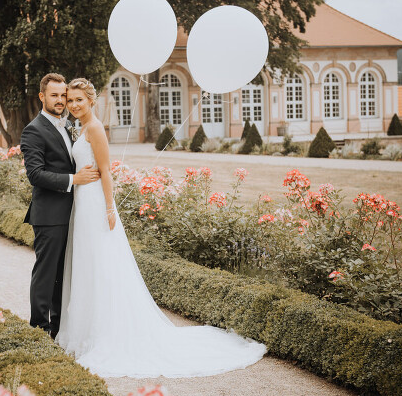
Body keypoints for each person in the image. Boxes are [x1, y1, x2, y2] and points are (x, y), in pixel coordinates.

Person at [56, 78, 266, 378]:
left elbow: (106, 171)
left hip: (95, 206)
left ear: (91, 101)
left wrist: (108, 208)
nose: (74, 105)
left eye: (79, 100)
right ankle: (86, 331)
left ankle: (103, 334)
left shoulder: (95, 128)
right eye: (71, 100)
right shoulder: (81, 128)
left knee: (101, 265)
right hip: (82, 202)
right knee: (89, 265)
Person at [20, 73, 100, 339]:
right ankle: (39, 331)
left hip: (75, 213)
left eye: (62, 95)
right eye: (53, 95)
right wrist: (74, 179)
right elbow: (36, 174)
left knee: (63, 277)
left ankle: (58, 329)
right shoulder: (33, 129)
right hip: (49, 216)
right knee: (46, 275)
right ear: (42, 96)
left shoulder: (68, 127)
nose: (60, 100)